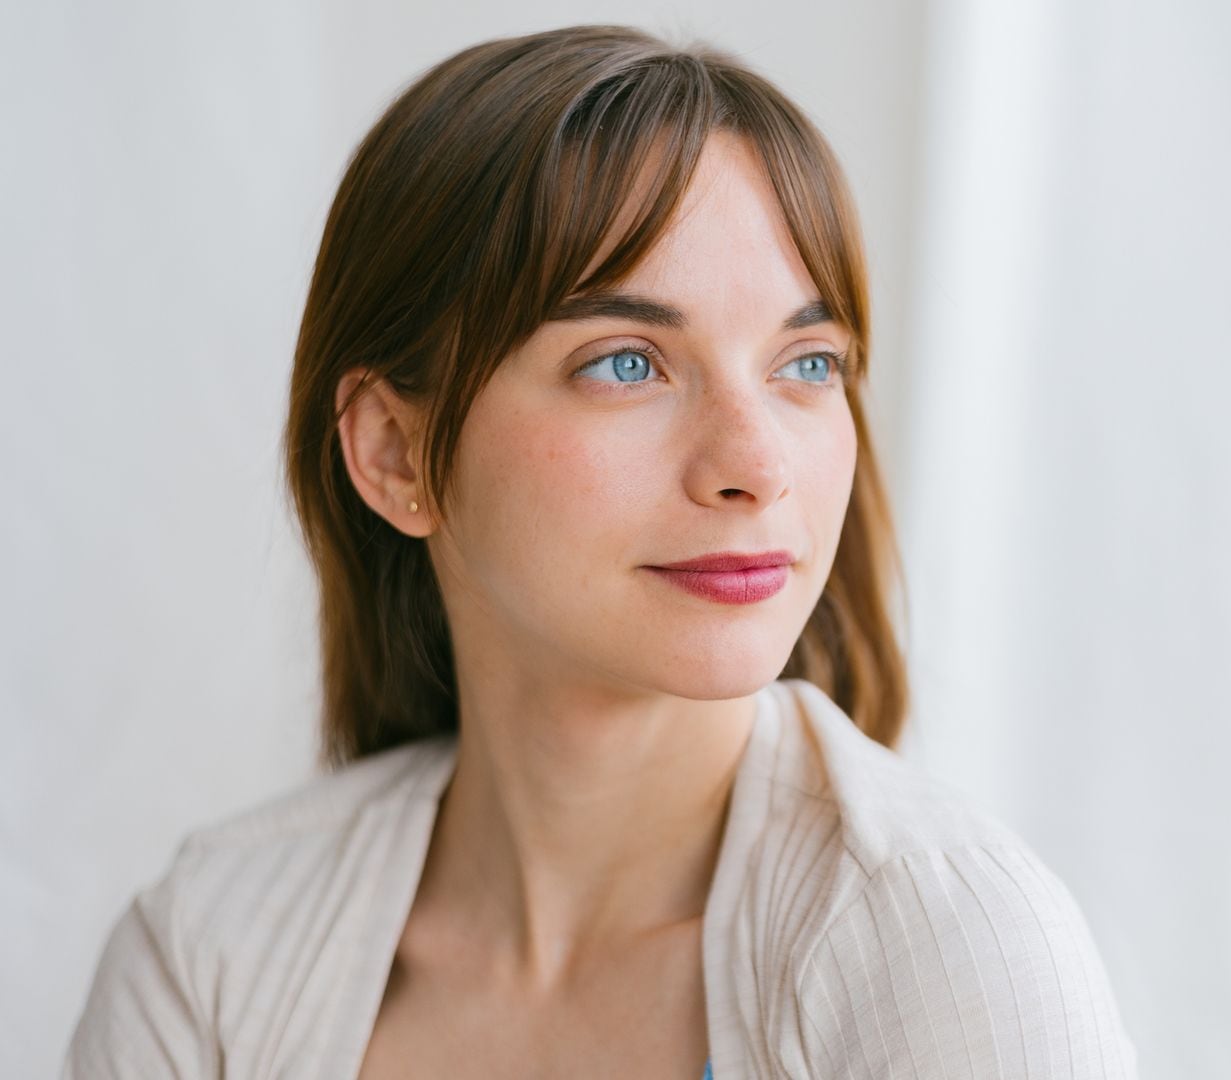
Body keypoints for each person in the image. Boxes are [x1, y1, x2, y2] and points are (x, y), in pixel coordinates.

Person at [61, 22, 1138, 1080]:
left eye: (806, 363)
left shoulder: (947, 959)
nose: (756, 464)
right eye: (627, 363)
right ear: (394, 451)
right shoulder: (207, 956)